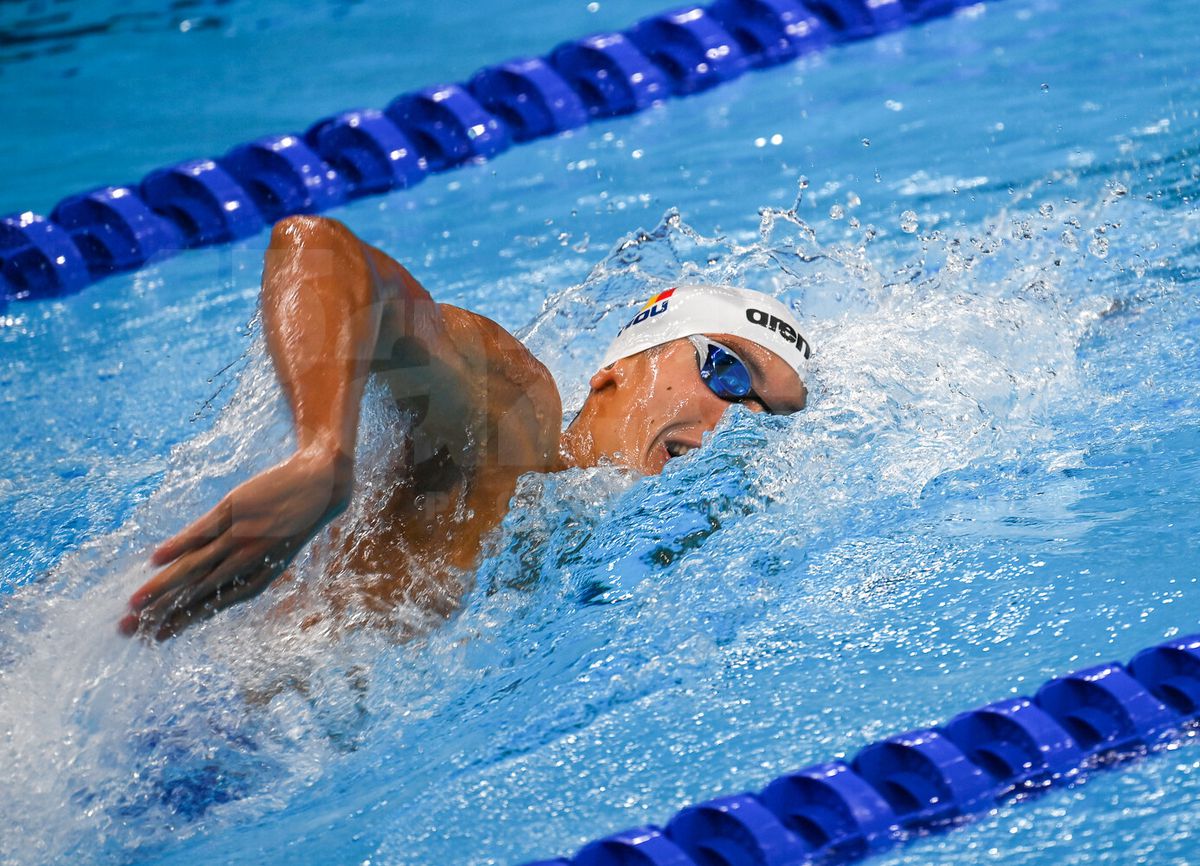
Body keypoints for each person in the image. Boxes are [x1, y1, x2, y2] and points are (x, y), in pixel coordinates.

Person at [118, 215, 811, 641]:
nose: (734, 424)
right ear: (616, 370)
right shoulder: (507, 423)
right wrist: (323, 451)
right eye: (723, 371)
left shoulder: (657, 574)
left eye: (766, 418)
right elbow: (316, 250)